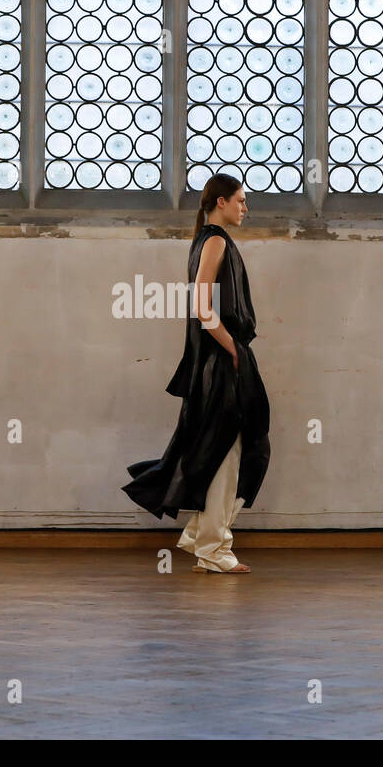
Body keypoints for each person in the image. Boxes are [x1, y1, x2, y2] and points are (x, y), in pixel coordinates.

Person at [122, 173, 271, 574]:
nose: (245, 208)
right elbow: (204, 308)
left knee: (236, 448)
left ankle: (203, 536)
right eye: (240, 200)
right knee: (227, 451)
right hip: (222, 359)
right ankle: (212, 547)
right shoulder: (216, 241)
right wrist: (233, 352)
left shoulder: (208, 241)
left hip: (223, 358)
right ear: (220, 202)